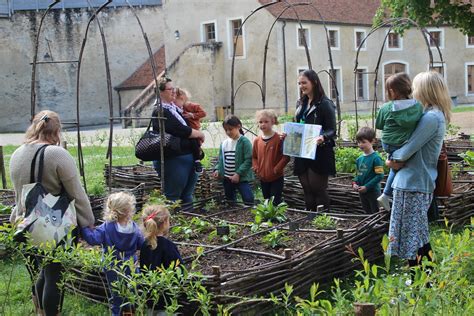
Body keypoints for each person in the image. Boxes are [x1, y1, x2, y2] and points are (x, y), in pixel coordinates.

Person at [9, 110, 95, 316]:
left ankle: (39, 312)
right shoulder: (56, 154)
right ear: (57, 131)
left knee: (42, 273)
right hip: (54, 224)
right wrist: (88, 221)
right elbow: (76, 192)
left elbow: (19, 193)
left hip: (26, 222)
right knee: (54, 276)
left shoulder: (16, 153)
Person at [386, 71, 451, 267]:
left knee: (410, 238)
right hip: (415, 182)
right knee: (419, 237)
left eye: (415, 87)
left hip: (412, 182)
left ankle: (418, 285)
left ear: (425, 90)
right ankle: (428, 283)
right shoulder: (432, 115)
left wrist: (392, 160)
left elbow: (409, 148)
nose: (413, 92)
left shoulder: (431, 117)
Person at [81, 192, 144, 316]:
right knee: (131, 295)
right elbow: (141, 245)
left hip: (113, 268)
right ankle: (129, 313)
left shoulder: (106, 228)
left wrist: (83, 228)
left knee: (116, 296)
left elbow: (93, 239)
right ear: (129, 211)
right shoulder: (135, 228)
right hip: (131, 267)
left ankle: (116, 313)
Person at [152, 77, 205, 206]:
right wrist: (199, 134)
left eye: (174, 88)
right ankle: (173, 223)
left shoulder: (174, 109)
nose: (174, 92)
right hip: (174, 159)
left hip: (187, 157)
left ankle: (188, 222)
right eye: (170, 89)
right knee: (173, 196)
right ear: (160, 92)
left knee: (187, 195)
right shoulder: (160, 111)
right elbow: (180, 130)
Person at [375, 73, 423, 211]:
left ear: (391, 91)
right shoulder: (418, 107)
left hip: (388, 143)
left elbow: (379, 124)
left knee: (395, 167)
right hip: (403, 144)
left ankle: (386, 194)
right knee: (398, 167)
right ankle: (387, 195)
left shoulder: (386, 108)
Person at [293, 69, 336, 211]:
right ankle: (310, 217)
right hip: (302, 149)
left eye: (304, 82)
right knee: (306, 188)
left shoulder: (325, 103)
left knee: (317, 188)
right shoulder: (301, 103)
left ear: (315, 82)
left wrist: (322, 137)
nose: (301, 86)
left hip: (320, 151)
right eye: (299, 83)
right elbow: (298, 123)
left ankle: (324, 218)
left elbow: (332, 129)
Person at [213, 115, 254, 205]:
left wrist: (238, 173)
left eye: (230, 129)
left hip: (241, 178)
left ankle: (249, 214)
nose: (228, 132)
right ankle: (234, 216)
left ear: (238, 127)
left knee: (248, 199)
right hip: (227, 178)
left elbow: (249, 160)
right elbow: (221, 160)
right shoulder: (224, 144)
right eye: (226, 130)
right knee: (230, 200)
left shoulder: (244, 142)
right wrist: (217, 169)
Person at [252, 109, 290, 205]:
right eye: (260, 122)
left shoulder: (279, 139)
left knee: (275, 202)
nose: (263, 124)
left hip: (276, 178)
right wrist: (257, 168)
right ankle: (269, 219)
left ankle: (276, 218)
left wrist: (276, 169)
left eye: (266, 122)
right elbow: (254, 157)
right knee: (267, 200)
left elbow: (286, 157)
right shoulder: (257, 141)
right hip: (263, 178)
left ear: (273, 121)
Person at [352, 127, 384, 214]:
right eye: (358, 142)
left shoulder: (376, 158)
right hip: (362, 192)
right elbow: (357, 174)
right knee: (366, 211)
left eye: (363, 142)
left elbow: (380, 175)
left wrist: (367, 187)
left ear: (373, 141)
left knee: (375, 213)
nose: (360, 145)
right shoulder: (359, 159)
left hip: (373, 192)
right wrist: (355, 183)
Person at [175, 87, 206, 172]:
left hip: (194, 128)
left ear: (181, 98)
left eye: (175, 100)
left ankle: (198, 158)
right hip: (188, 129)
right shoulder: (180, 108)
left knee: (196, 142)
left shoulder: (193, 106)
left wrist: (192, 115)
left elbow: (203, 113)